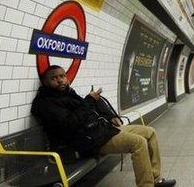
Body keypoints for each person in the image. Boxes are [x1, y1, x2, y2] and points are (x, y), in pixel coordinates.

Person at [31, 65, 176, 187]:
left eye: (62, 76)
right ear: (45, 82)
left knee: (149, 132)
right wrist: (88, 101)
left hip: (98, 132)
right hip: (82, 143)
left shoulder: (69, 95)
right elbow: (70, 124)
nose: (60, 80)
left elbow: (88, 112)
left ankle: (155, 179)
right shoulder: (46, 104)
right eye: (54, 78)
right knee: (138, 143)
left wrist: (110, 117)